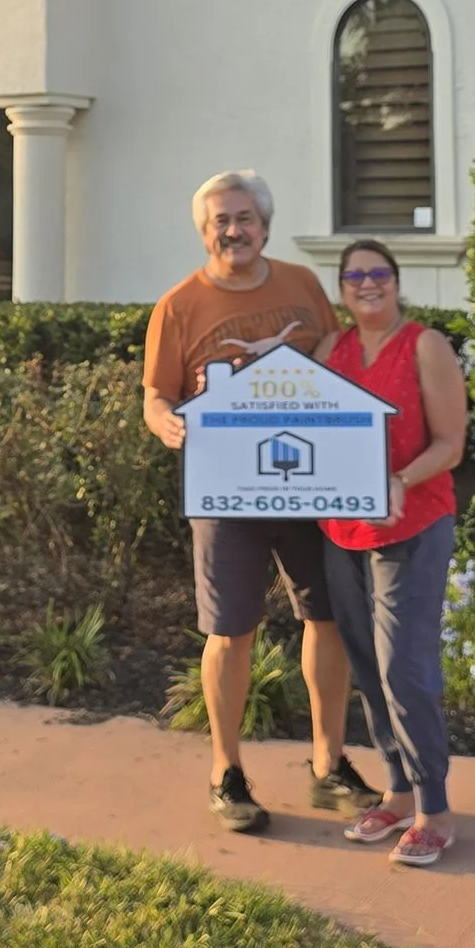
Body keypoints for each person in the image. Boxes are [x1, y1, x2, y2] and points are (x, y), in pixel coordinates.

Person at [143, 170, 378, 833]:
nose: (233, 230)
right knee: (230, 631)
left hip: (309, 481)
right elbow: (156, 394)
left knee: (326, 617)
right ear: (203, 231)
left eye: (244, 218)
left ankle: (329, 766)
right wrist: (165, 423)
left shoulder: (301, 285)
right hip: (226, 490)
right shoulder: (178, 305)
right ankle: (227, 773)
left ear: (266, 226)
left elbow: (335, 353)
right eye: (220, 220)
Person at [316, 238, 467, 868]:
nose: (367, 283)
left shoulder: (424, 346)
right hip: (342, 530)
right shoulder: (332, 350)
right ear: (342, 289)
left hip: (414, 525)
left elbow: (451, 444)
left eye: (379, 272)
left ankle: (435, 810)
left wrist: (400, 481)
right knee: (368, 665)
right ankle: (399, 793)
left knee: (405, 667)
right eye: (354, 276)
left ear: (397, 282)